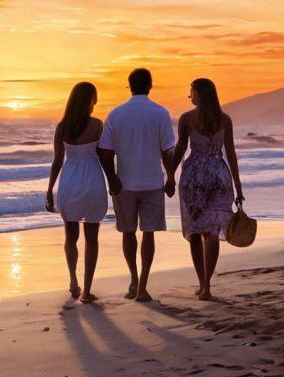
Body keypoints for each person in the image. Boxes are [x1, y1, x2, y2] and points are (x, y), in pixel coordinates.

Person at [98, 68, 175, 302]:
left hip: (125, 183)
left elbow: (105, 151)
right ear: (150, 86)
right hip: (152, 181)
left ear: (129, 86)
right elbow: (168, 151)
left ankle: (133, 278)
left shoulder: (116, 114)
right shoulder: (160, 113)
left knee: (128, 232)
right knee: (148, 233)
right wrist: (171, 177)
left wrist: (112, 178)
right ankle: (142, 286)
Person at [167, 78, 244, 301]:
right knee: (211, 231)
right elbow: (231, 154)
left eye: (191, 91)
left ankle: (202, 283)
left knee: (194, 232)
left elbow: (180, 149)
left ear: (199, 94)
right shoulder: (224, 120)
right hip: (218, 176)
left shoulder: (186, 119)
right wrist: (238, 187)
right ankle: (207, 287)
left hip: (194, 177)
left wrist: (170, 176)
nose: (189, 95)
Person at [45, 82, 105, 303]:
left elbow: (57, 161)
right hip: (92, 181)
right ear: (90, 101)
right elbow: (105, 155)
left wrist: (49, 190)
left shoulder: (63, 127)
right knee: (92, 238)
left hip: (70, 182)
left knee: (71, 236)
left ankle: (73, 281)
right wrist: (114, 180)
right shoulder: (97, 125)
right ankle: (87, 290)